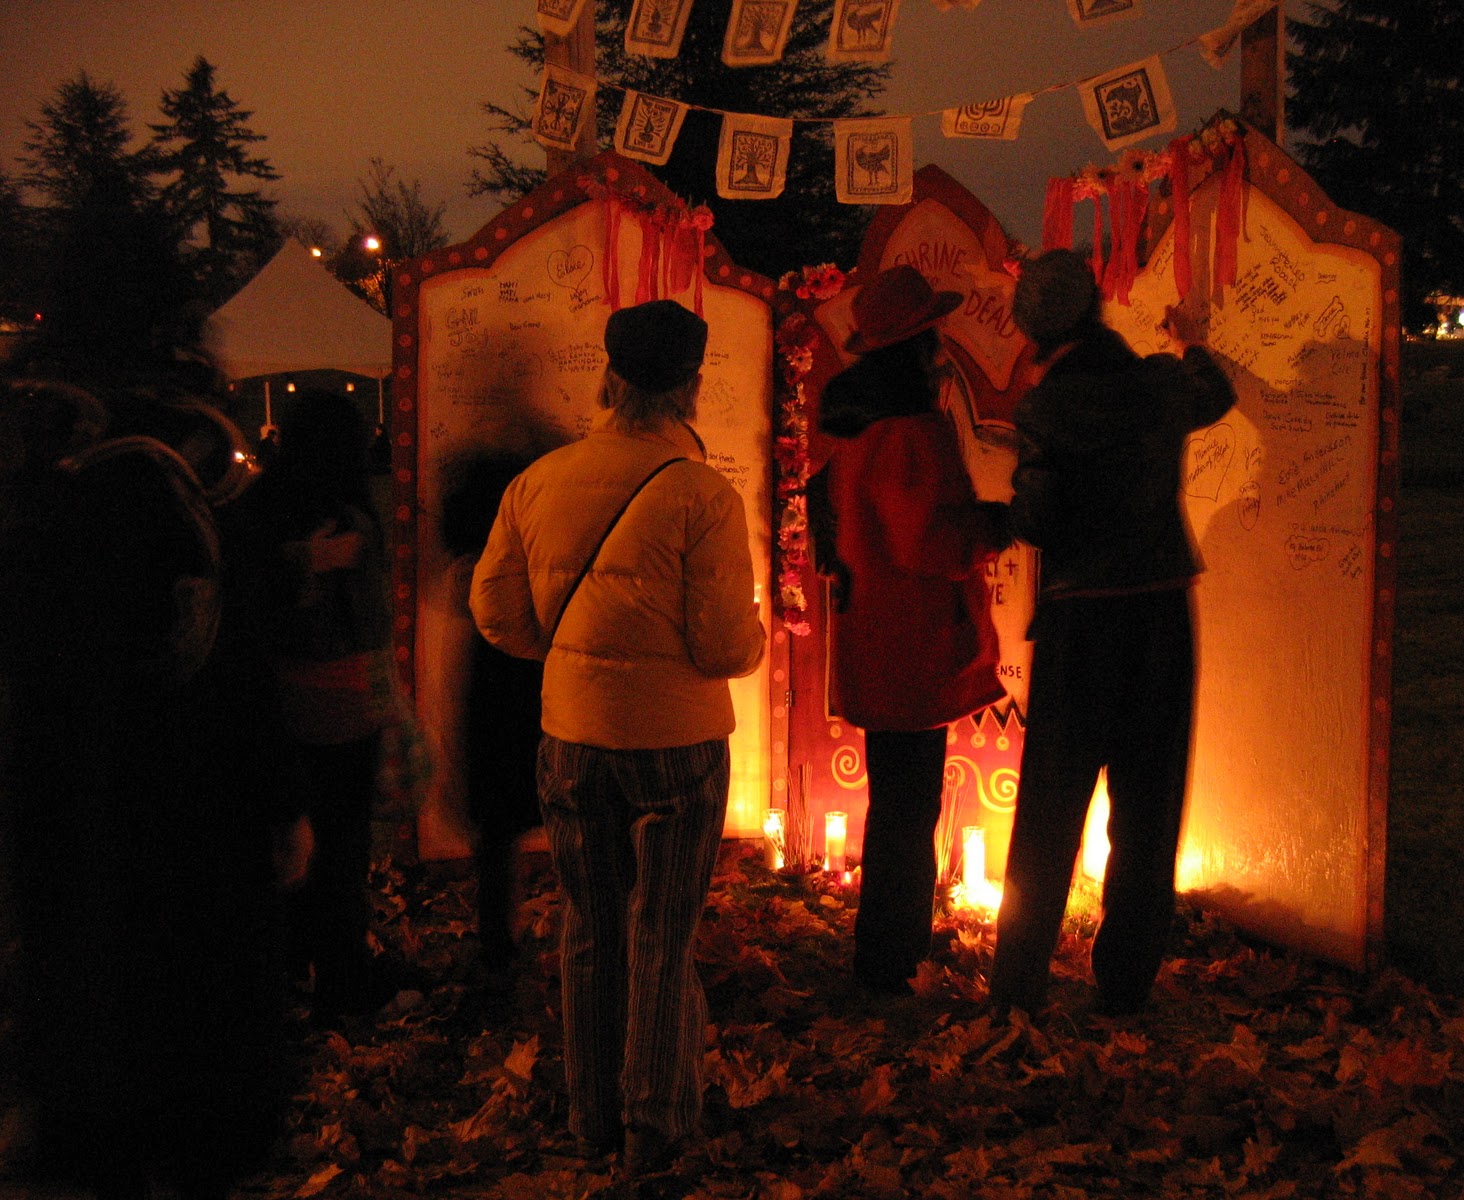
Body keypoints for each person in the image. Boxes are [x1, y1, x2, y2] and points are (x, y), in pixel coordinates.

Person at [469, 299, 765, 1175]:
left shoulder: (539, 481)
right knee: (662, 932)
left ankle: (590, 1114)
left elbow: (496, 611)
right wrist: (753, 637)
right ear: (691, 386)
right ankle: (652, 1123)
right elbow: (722, 646)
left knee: (591, 923)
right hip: (678, 745)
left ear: (609, 378)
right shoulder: (703, 494)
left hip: (571, 733)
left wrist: (570, 660)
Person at [0, 374, 304, 1200]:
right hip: (203, 841)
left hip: (88, 849)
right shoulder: (198, 551)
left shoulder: (52, 561)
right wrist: (283, 808)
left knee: (106, 1025)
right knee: (198, 1029)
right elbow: (248, 689)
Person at [989, 248, 1237, 1018]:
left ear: (1035, 332)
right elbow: (1217, 392)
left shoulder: (1045, 408)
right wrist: (1190, 342)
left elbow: (1036, 519)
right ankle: (1126, 982)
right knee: (1150, 805)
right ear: (1095, 309)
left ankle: (1018, 986)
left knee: (1051, 808)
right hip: (1161, 614)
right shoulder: (1160, 385)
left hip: (1082, 620)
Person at [809, 265, 1010, 996]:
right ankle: (894, 960)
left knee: (897, 803)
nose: (941, 349)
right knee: (908, 808)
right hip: (912, 643)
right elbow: (927, 542)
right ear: (917, 346)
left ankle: (889, 948)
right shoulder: (910, 433)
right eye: (934, 335)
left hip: (878, 638)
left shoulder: (859, 430)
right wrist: (994, 525)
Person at [245, 387, 402, 1023]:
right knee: (341, 847)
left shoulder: (261, 506)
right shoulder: (347, 518)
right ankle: (343, 982)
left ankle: (292, 967)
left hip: (277, 704)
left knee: (293, 844)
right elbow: (369, 621)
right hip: (342, 705)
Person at [438, 449, 545, 973]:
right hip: (536, 667)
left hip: (491, 669)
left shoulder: (474, 553)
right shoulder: (540, 486)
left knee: (497, 823)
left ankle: (497, 940)